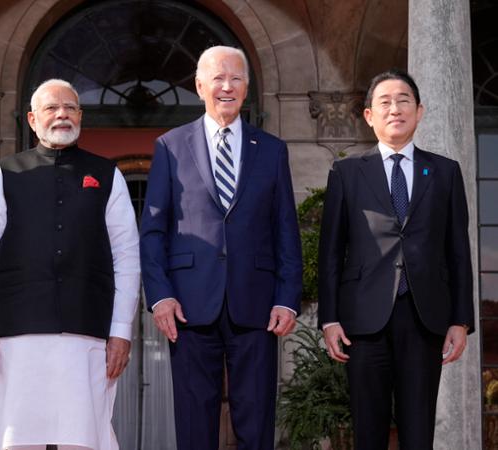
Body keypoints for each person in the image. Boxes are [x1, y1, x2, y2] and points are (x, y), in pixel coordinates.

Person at [139, 46, 302, 450]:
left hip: (258, 306)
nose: (226, 87)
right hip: (190, 308)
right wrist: (160, 297)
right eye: (217, 78)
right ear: (199, 86)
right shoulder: (170, 147)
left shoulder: (273, 150)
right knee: (195, 424)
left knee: (257, 420)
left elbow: (286, 229)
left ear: (247, 87)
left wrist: (287, 299)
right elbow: (153, 231)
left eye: (235, 79)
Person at [0, 78, 140, 450]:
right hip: (15, 334)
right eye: (51, 108)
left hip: (86, 330)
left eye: (70, 107)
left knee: (83, 437)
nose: (61, 114)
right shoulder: (7, 173)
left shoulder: (108, 175)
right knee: (14, 437)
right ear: (32, 119)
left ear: (80, 116)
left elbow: (127, 255)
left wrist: (122, 331)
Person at [318, 69, 474, 450]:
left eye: (404, 101)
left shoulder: (445, 172)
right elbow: (331, 251)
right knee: (367, 432)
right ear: (369, 115)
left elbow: (458, 250)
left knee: (418, 432)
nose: (395, 109)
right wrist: (329, 318)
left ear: (419, 111)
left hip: (424, 318)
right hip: (363, 321)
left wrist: (460, 320)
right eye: (385, 102)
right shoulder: (347, 172)